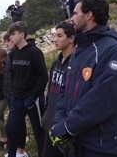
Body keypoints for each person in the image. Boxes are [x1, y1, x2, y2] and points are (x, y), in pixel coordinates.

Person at [49, 0, 117, 157]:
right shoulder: (80, 50)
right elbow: (65, 88)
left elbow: (101, 101)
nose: (71, 18)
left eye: (75, 13)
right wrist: (59, 121)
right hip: (76, 142)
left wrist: (66, 127)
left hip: (100, 146)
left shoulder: (112, 51)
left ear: (89, 15)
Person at [5, 21, 48, 157]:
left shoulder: (34, 52)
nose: (10, 37)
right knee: (10, 128)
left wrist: (33, 96)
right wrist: (13, 93)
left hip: (32, 99)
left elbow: (43, 76)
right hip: (17, 99)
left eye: (13, 34)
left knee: (39, 132)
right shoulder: (13, 54)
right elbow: (12, 75)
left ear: (22, 34)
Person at [41, 21, 75, 157]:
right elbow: (50, 90)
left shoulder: (76, 65)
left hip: (65, 128)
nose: (55, 40)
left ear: (71, 38)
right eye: (55, 36)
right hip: (50, 123)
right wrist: (46, 116)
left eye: (59, 36)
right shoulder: (56, 63)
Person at [3, 33, 28, 157]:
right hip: (10, 95)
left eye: (9, 41)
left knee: (20, 123)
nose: (7, 43)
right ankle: (14, 150)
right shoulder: (10, 55)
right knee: (13, 126)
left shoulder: (18, 56)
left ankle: (20, 150)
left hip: (17, 95)